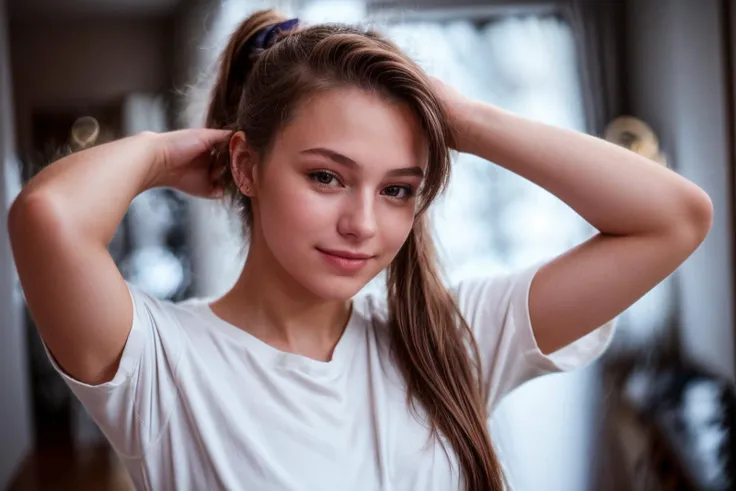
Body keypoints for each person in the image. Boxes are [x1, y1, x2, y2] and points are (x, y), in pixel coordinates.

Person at [8, 10, 712, 491]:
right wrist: (167, 153)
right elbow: (47, 216)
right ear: (247, 167)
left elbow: (673, 218)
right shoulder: (162, 364)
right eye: (326, 176)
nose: (363, 224)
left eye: (399, 189)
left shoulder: (447, 340)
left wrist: (461, 118)